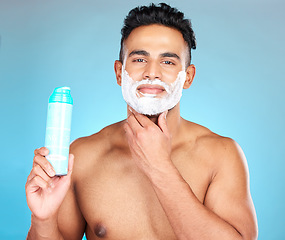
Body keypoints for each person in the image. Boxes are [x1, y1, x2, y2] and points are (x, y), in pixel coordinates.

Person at [26, 3, 258, 240]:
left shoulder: (222, 155)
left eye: (167, 62)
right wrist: (42, 220)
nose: (152, 73)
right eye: (139, 59)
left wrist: (160, 168)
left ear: (187, 77)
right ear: (119, 72)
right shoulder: (83, 156)